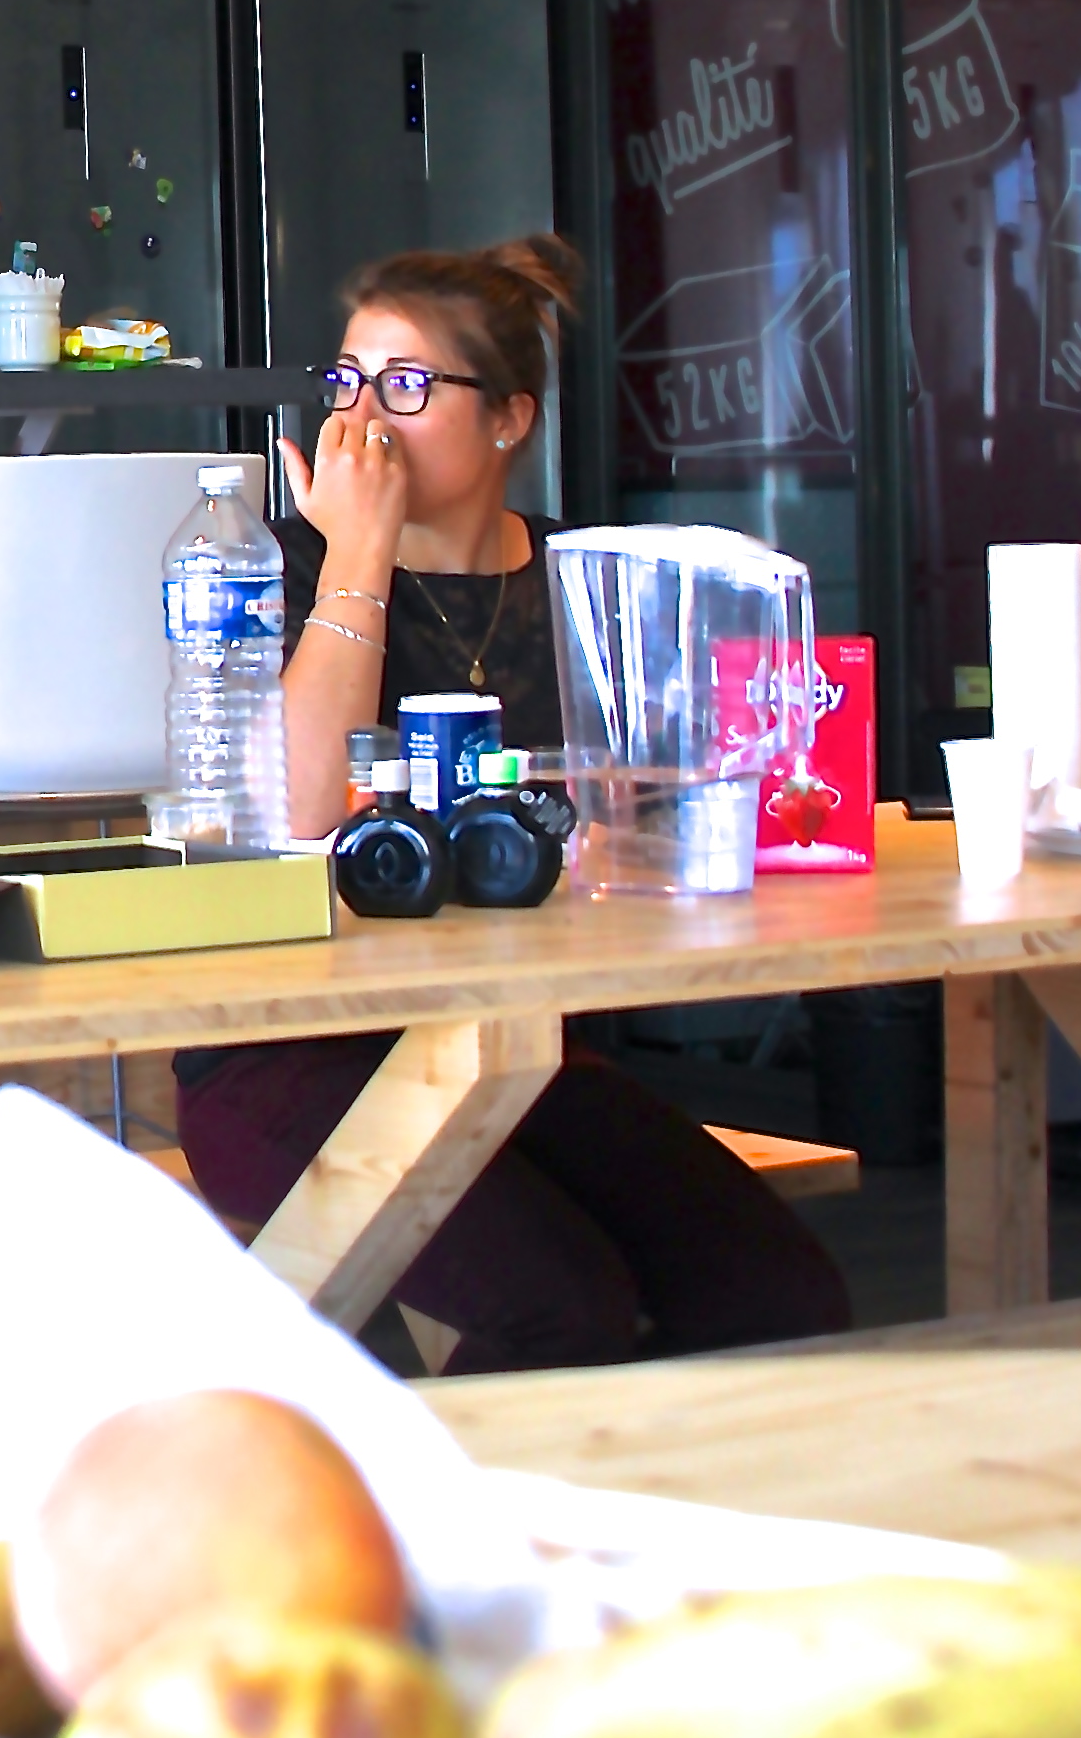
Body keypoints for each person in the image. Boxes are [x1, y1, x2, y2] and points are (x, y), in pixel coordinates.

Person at [176, 232, 851, 1368]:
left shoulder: (582, 582)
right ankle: (446, 1542)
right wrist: (361, 554)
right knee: (560, 1307)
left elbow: (654, 804)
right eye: (345, 383)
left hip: (513, 1048)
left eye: (404, 386)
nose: (362, 424)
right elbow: (296, 811)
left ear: (509, 419)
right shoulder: (276, 565)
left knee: (776, 1294)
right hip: (296, 1058)